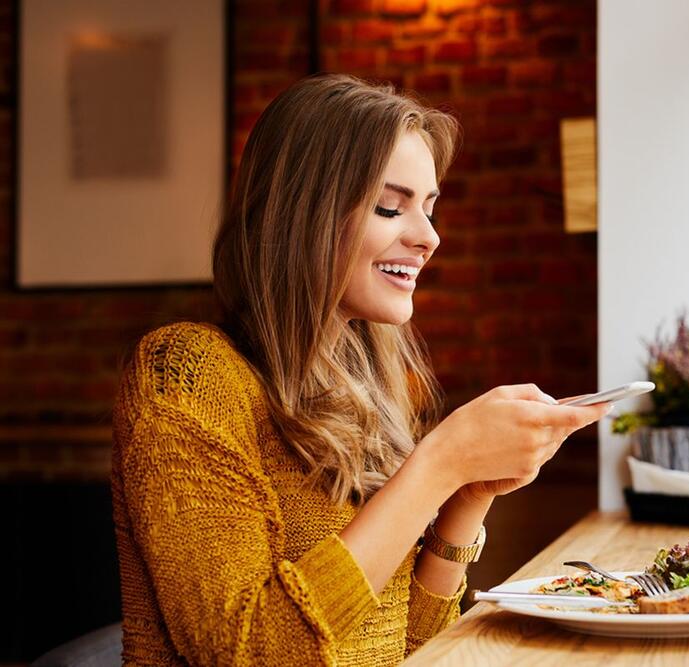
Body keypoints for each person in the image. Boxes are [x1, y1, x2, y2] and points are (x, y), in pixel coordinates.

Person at [110, 74, 609, 666]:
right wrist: (438, 463)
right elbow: (245, 653)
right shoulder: (184, 375)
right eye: (389, 207)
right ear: (303, 214)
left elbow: (409, 646)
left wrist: (467, 494)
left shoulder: (362, 385)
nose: (429, 237)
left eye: (429, 208)